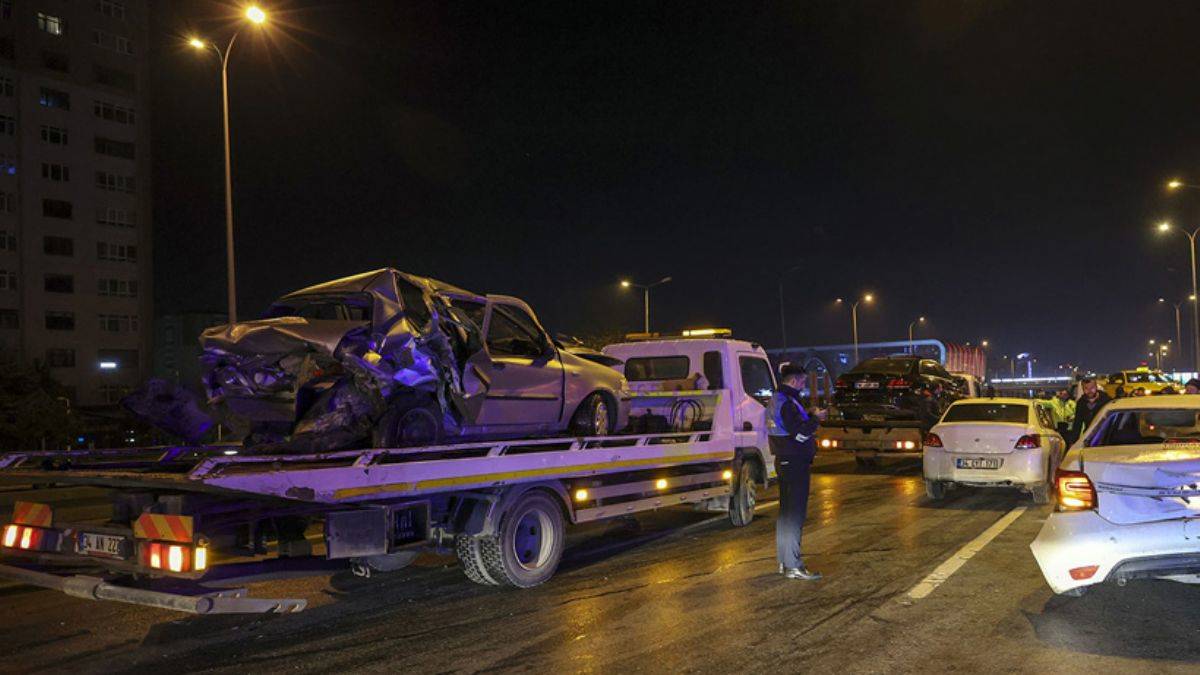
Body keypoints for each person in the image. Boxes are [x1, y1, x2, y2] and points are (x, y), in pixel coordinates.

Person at [768, 363, 824, 581]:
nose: (803, 385)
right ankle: (794, 565)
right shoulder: (788, 403)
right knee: (795, 515)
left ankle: (784, 562)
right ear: (794, 380)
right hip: (795, 463)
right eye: (801, 381)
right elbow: (800, 434)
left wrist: (808, 415)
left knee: (785, 514)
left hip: (784, 461)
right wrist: (816, 419)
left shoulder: (776, 399)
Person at [1071, 378, 1112, 443]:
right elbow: (1077, 423)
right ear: (1082, 389)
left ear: (1096, 387)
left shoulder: (1106, 400)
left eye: (1092, 387)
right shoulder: (1081, 403)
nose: (1089, 391)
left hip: (1106, 436)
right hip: (1089, 437)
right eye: (1086, 388)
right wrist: (1073, 441)